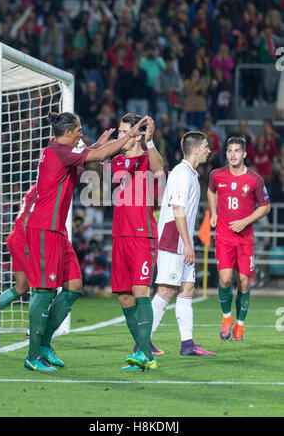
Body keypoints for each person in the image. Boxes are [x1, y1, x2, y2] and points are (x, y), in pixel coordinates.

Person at [24, 111, 148, 372]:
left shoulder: (56, 150)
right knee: (44, 291)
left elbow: (88, 154)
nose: (81, 133)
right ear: (67, 132)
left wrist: (98, 145)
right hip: (44, 229)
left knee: (74, 287)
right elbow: (100, 157)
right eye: (78, 130)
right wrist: (129, 134)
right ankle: (33, 355)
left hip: (58, 230)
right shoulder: (59, 151)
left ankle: (45, 344)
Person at [105, 113, 164, 371]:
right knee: (124, 298)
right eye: (119, 131)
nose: (120, 135)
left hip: (142, 235)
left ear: (137, 134)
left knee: (141, 293)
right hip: (119, 235)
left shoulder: (145, 159)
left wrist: (149, 142)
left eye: (124, 131)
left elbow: (160, 169)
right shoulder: (116, 159)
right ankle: (143, 350)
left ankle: (143, 352)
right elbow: (96, 166)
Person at [149, 131, 216, 357]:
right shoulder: (181, 173)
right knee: (166, 290)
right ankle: (142, 342)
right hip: (174, 238)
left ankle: (187, 344)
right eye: (206, 146)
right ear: (195, 149)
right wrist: (187, 243)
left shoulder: (191, 174)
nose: (209, 150)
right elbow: (177, 208)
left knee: (187, 288)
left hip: (182, 239)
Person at [207, 136, 271, 341]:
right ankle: (226, 318)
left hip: (245, 238)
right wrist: (214, 213)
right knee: (225, 279)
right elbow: (211, 191)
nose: (233, 154)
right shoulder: (217, 175)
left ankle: (240, 325)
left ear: (244, 154)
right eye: (229, 151)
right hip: (224, 236)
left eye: (237, 151)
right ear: (226, 154)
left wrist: (245, 221)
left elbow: (266, 207)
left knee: (243, 282)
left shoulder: (255, 179)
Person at [0, 184, 37, 311]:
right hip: (23, 241)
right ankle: (37, 327)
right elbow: (27, 221)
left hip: (15, 237)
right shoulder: (42, 190)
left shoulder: (34, 188)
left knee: (22, 286)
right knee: (40, 285)